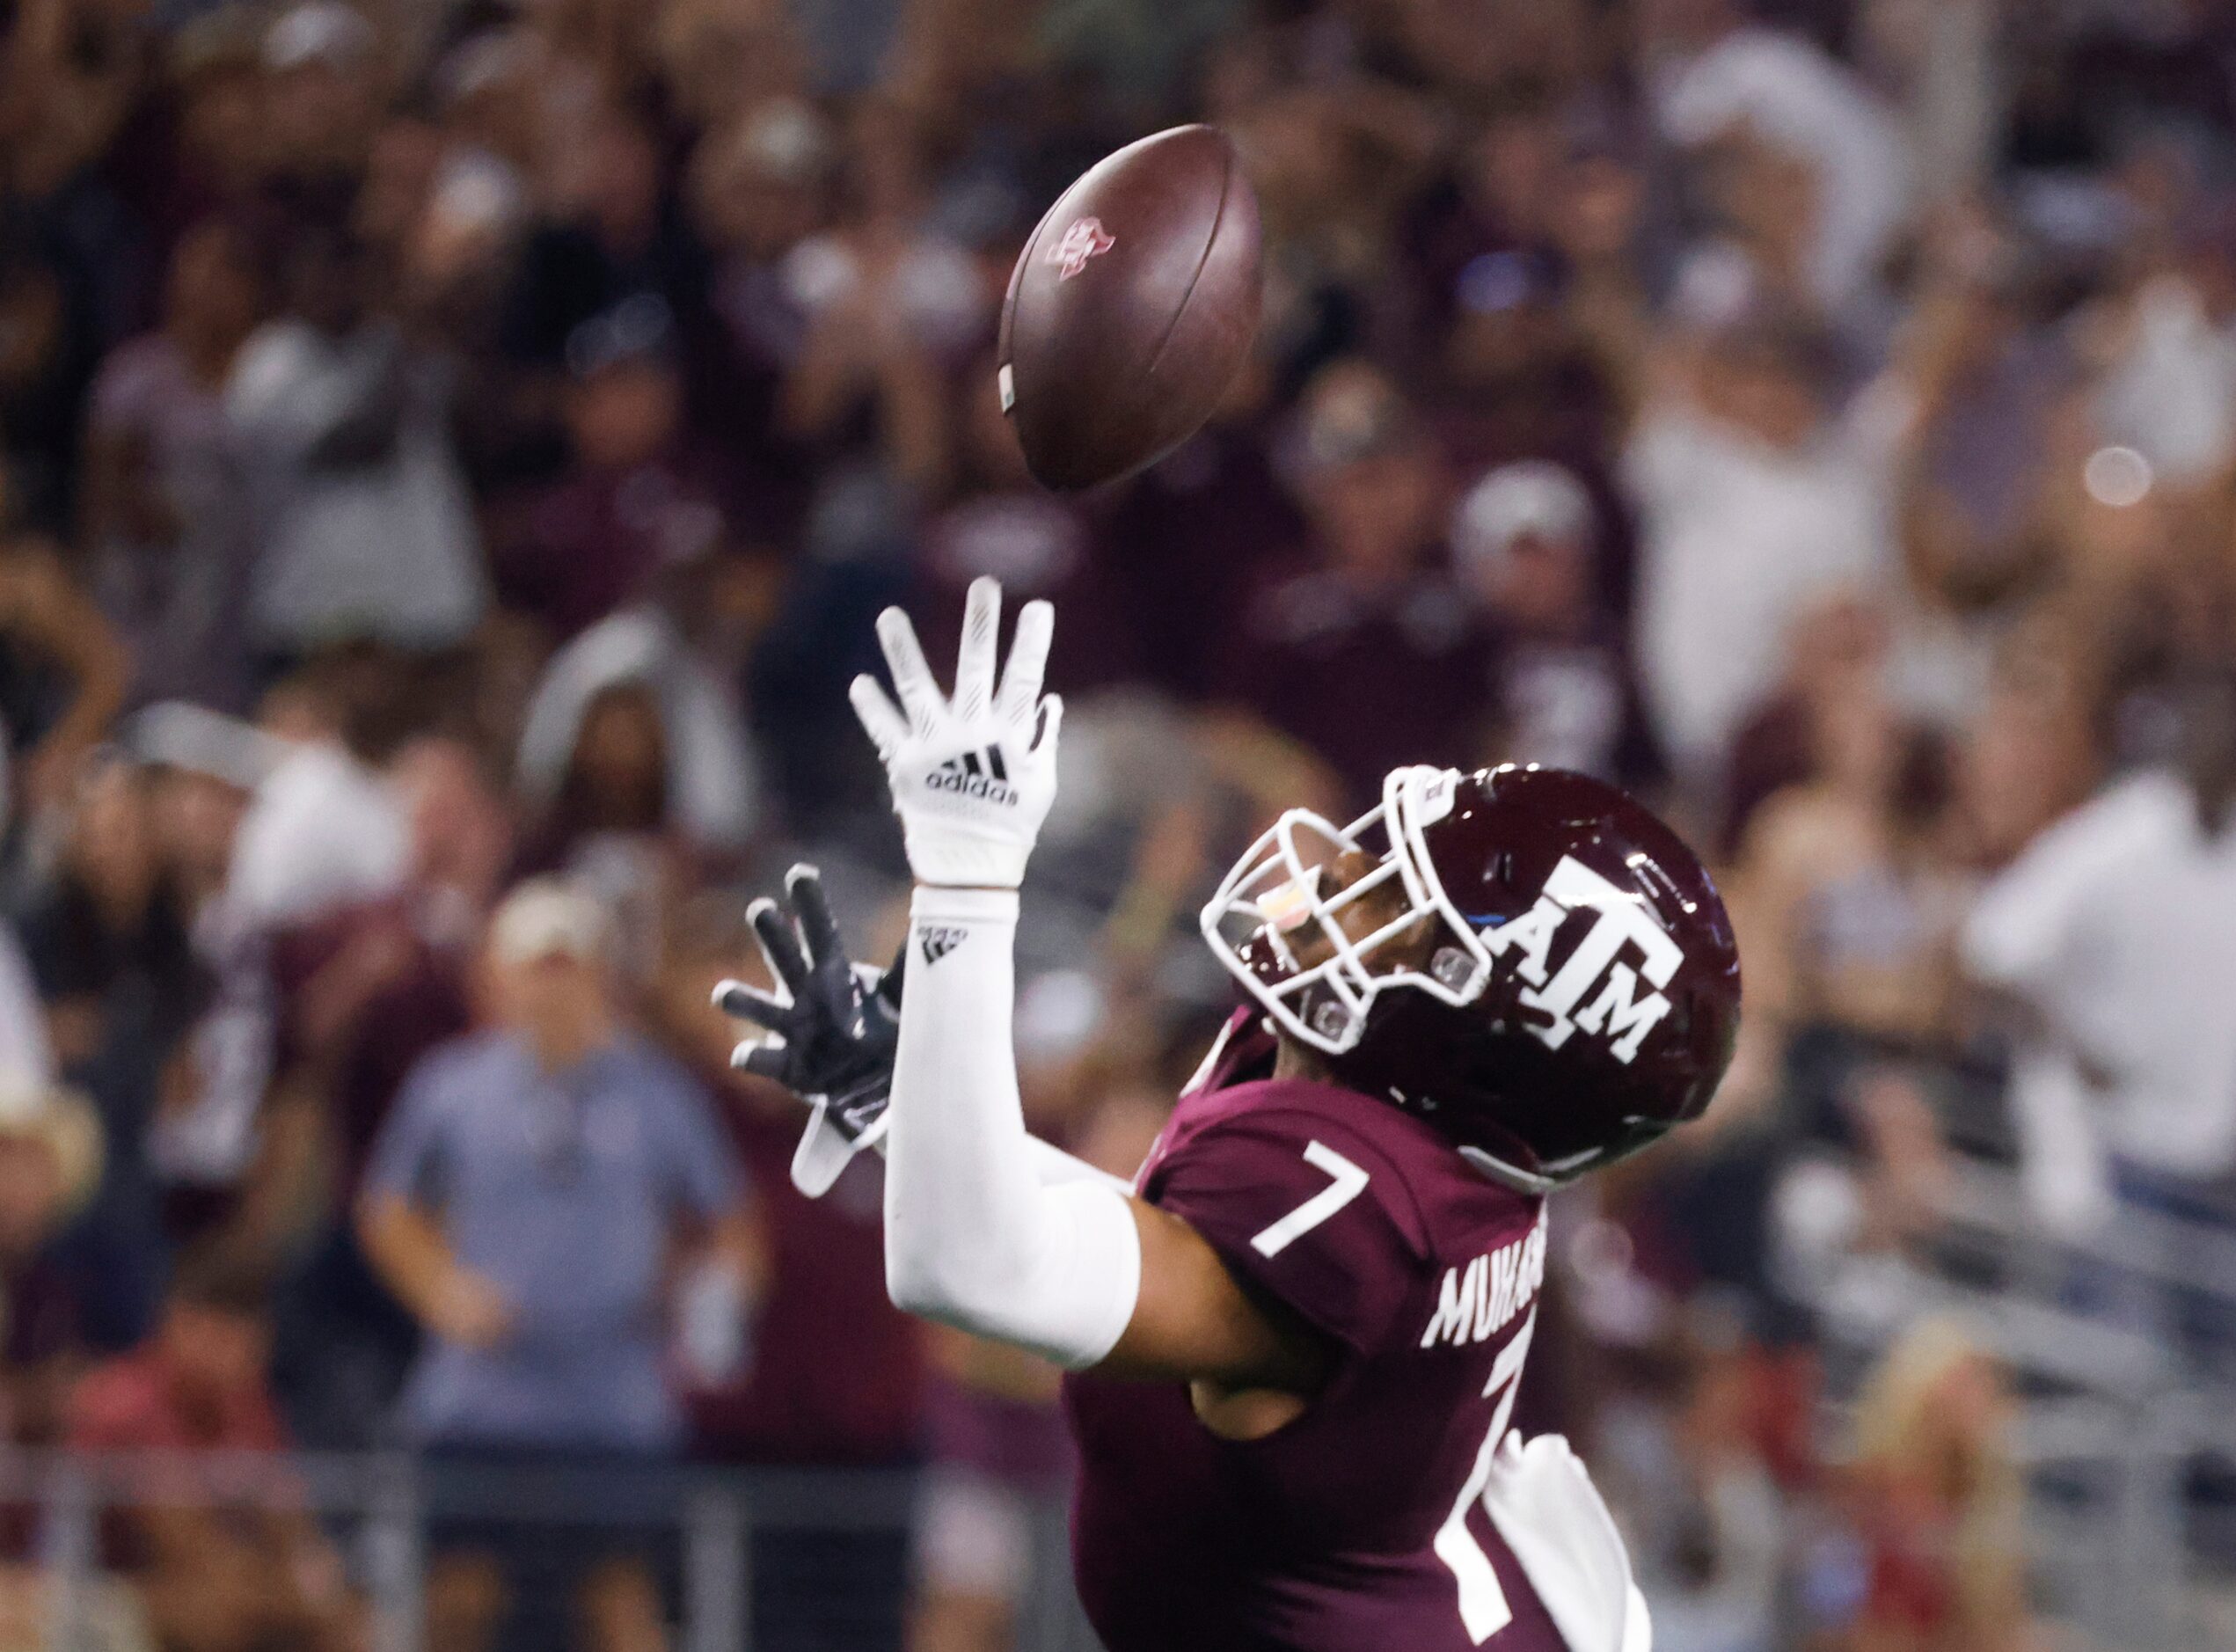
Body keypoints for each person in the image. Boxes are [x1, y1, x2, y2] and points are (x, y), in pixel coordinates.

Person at [721, 578, 1743, 1650]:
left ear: (1482, 1043)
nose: (1342, 878)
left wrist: (967, 882)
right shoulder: (1392, 1132)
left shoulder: (1364, 1209)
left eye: (1397, 905)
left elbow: (974, 1264)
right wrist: (908, 1104)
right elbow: (1160, 1249)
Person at [359, 877, 756, 1652]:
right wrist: (442, 1290)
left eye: (567, 967)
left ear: (599, 976)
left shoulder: (655, 1092)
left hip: (614, 1405)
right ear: (499, 978)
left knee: (620, 1605)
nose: (552, 987)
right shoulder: (454, 1087)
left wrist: (702, 1308)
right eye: (536, 968)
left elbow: (729, 1222)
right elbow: (388, 1211)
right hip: (481, 1401)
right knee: (457, 1603)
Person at [67, 1250, 358, 1652]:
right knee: (213, 1617)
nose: (236, 1357)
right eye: (219, 1337)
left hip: (223, 1582)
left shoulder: (248, 1403)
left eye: (247, 1341)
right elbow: (189, 1549)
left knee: (347, 1623)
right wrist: (289, 1595)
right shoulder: (124, 1404)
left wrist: (314, 1589)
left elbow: (293, 1525)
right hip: (97, 1584)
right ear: (177, 1323)